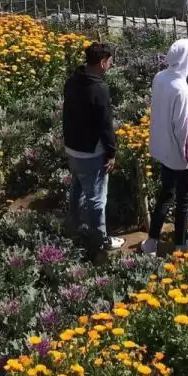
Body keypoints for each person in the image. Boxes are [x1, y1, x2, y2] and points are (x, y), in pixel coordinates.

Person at [142, 39, 188, 256]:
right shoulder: (181, 89)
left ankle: (151, 242)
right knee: (183, 201)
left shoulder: (160, 78)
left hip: (163, 149)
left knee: (164, 194)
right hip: (179, 155)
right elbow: (183, 129)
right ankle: (179, 245)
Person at [61, 42, 124, 252]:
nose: (111, 64)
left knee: (77, 189)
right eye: (110, 61)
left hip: (72, 147)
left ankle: (74, 228)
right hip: (91, 151)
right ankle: (100, 240)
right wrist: (112, 153)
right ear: (102, 62)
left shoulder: (72, 81)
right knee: (97, 198)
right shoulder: (99, 88)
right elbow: (105, 125)